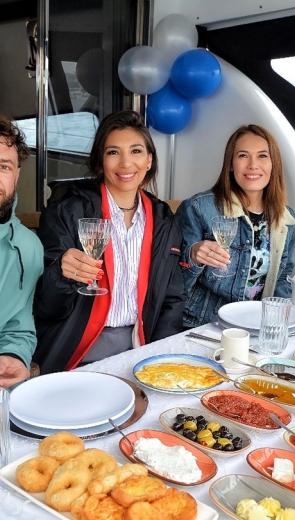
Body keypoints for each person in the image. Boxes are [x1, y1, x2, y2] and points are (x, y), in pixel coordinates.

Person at [33, 110, 185, 373]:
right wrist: (61, 274)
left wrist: (159, 358)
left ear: (149, 160)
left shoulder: (162, 218)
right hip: (77, 350)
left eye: (136, 151)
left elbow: (172, 298)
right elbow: (45, 307)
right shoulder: (68, 211)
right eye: (113, 152)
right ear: (100, 161)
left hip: (140, 348)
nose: (126, 163)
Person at [176, 124, 295, 328]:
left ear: (273, 164)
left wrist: (279, 324)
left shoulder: (286, 219)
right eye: (243, 156)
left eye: (262, 156)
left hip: (254, 326)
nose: (253, 165)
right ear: (231, 164)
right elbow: (173, 283)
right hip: (203, 325)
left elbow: (283, 277)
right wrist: (193, 256)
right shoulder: (198, 208)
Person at [0, 116, 43, 387]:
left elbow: (17, 326)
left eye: (3, 167)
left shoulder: (27, 248)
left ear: (16, 175)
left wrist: (13, 355)